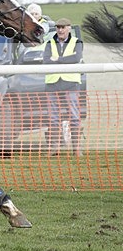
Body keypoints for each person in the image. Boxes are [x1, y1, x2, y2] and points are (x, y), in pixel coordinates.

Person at [43, 17, 84, 156]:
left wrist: (58, 60)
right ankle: (54, 148)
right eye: (58, 27)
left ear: (68, 28)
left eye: (63, 27)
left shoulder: (77, 42)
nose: (60, 30)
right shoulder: (49, 43)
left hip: (71, 83)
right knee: (53, 117)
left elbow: (76, 58)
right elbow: (46, 61)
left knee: (74, 115)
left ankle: (76, 148)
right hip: (53, 83)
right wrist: (64, 61)